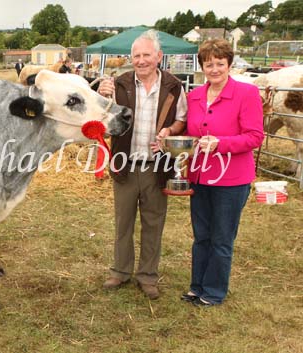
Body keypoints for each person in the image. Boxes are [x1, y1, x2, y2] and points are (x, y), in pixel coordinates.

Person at [97, 29, 187, 300]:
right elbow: (103, 118)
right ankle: (120, 271)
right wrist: (102, 95)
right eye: (136, 55)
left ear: (159, 56)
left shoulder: (174, 85)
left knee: (153, 223)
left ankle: (147, 276)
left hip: (157, 167)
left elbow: (181, 118)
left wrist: (170, 131)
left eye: (147, 54)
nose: (141, 60)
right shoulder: (119, 83)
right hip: (125, 164)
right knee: (123, 222)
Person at [181, 39, 264, 306]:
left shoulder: (246, 93)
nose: (214, 69)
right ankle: (197, 286)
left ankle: (214, 291)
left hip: (232, 179)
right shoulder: (193, 96)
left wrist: (221, 144)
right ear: (202, 65)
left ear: (229, 64)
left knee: (222, 238)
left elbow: (254, 136)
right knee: (201, 235)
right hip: (200, 176)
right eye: (209, 64)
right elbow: (189, 132)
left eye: (220, 63)